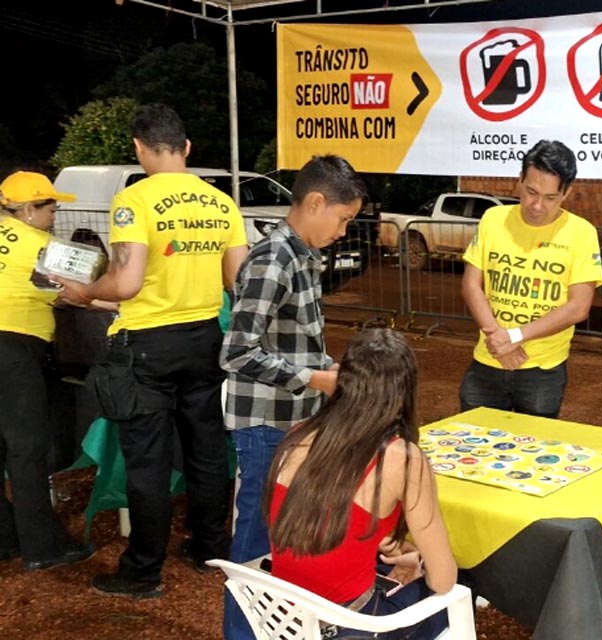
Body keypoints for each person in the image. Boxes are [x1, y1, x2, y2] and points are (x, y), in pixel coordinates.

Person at [55, 103, 250, 598]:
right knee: (207, 451)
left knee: (148, 462)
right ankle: (211, 549)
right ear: (186, 147)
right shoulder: (221, 204)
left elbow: (127, 281)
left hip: (147, 345)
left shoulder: (134, 202)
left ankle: (143, 570)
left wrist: (85, 293)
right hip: (205, 339)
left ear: (140, 149)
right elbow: (237, 281)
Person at [219, 154, 368, 640]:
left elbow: (295, 337)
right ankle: (243, 632)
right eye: (344, 219)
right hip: (265, 423)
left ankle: (272, 628)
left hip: (294, 420)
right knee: (256, 539)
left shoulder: (305, 254)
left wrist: (326, 368)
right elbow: (237, 353)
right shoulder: (272, 259)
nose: (344, 231)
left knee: (281, 537)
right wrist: (312, 378)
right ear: (316, 202)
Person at [264, 328, 458, 639]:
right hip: (351, 623)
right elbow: (444, 581)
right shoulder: (401, 459)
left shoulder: (297, 435)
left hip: (285, 618)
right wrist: (423, 561)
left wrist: (408, 556)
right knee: (458, 596)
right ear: (404, 392)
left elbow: (338, 524)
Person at [459, 139, 602, 419]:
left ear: (567, 193)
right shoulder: (493, 219)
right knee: (473, 447)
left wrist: (514, 337)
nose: (537, 205)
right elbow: (470, 284)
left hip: (542, 370)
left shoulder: (581, 233)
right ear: (519, 180)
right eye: (531, 192)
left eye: (550, 198)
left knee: (535, 456)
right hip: (487, 359)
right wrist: (496, 338)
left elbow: (579, 307)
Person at [0, 171, 95, 571]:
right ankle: (43, 547)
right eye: (49, 204)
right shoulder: (45, 248)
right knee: (27, 450)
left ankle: (6, 537)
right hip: (16, 349)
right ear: (26, 210)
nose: (56, 211)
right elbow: (84, 291)